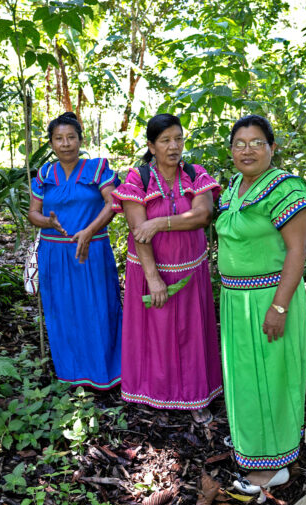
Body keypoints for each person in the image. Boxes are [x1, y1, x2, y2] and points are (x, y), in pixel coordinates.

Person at [215, 115, 306, 500]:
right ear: (231, 150)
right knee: (243, 379)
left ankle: (271, 470)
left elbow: (297, 250)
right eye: (239, 143)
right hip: (234, 300)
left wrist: (279, 306)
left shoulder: (284, 187)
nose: (247, 149)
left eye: (256, 142)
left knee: (272, 381)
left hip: (269, 298)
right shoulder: (235, 189)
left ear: (272, 148)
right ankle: (253, 447)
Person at [111, 113, 222, 424]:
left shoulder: (195, 174)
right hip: (151, 270)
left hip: (191, 270)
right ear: (151, 145)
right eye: (165, 141)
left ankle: (195, 397)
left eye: (178, 139)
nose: (174, 146)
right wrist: (153, 278)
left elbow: (202, 216)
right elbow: (138, 229)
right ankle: (152, 395)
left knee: (190, 335)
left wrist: (160, 222)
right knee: (154, 336)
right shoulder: (138, 178)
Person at [28, 112, 122, 389]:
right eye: (59, 138)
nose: (65, 143)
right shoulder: (45, 174)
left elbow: (112, 204)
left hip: (90, 251)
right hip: (54, 254)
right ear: (51, 143)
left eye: (71, 137)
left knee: (99, 308)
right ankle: (70, 374)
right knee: (62, 311)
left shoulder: (98, 169)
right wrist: (48, 222)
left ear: (81, 140)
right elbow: (33, 213)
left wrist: (90, 230)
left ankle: (106, 374)